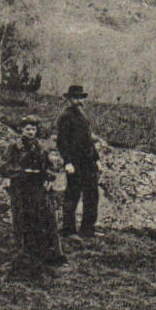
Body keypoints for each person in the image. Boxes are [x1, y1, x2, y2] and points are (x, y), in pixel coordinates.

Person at [0, 116, 66, 266]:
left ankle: (48, 256)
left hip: (38, 188)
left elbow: (49, 166)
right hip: (20, 188)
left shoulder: (40, 147)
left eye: (33, 129)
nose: (30, 132)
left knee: (45, 219)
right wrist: (22, 172)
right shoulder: (14, 147)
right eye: (27, 129)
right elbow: (4, 167)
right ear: (21, 130)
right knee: (21, 220)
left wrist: (49, 178)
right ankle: (22, 254)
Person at [56, 85, 101, 237]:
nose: (78, 100)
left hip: (88, 162)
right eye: (75, 97)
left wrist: (96, 159)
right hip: (75, 162)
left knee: (91, 195)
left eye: (80, 97)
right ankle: (68, 229)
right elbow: (62, 142)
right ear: (69, 99)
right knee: (72, 194)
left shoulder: (83, 116)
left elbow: (88, 140)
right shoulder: (65, 116)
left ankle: (88, 229)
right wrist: (67, 162)